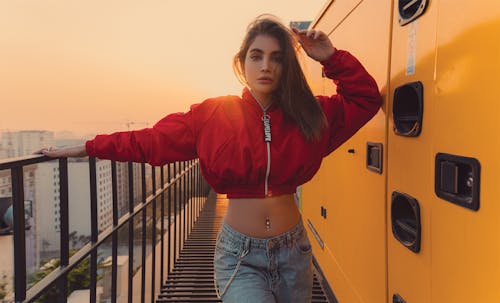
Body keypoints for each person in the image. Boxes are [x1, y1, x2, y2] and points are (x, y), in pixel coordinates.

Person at [37, 15, 382, 303]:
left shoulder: (310, 115)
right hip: (240, 256)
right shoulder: (214, 115)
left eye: (277, 57)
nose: (265, 66)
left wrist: (330, 57)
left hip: (294, 252)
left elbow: (365, 98)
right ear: (241, 62)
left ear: (287, 66)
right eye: (256, 55)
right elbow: (150, 142)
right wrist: (87, 147)